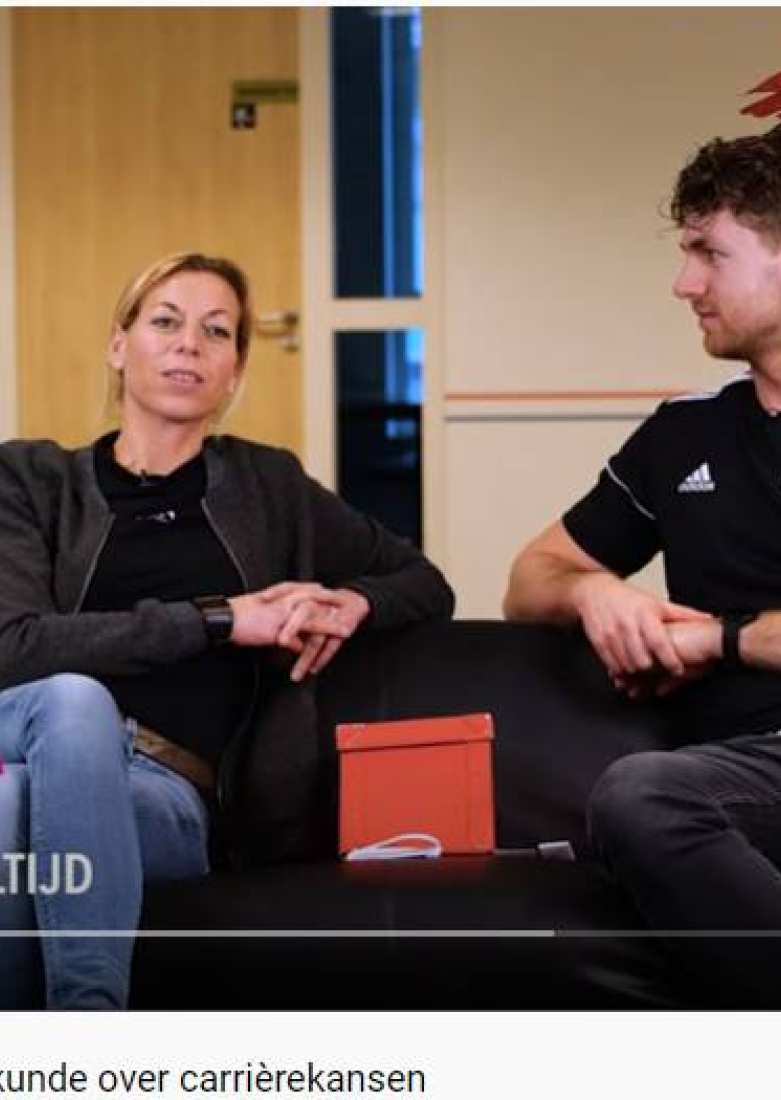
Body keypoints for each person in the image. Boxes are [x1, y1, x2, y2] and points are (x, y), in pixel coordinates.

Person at [0, 252, 454, 1009]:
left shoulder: (269, 487)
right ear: (118, 346)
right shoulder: (32, 481)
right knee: (73, 704)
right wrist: (219, 620)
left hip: (166, 793)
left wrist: (352, 602)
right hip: (34, 745)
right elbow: (14, 647)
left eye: (216, 331)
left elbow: (424, 583)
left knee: (12, 816)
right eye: (165, 321)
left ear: (235, 370)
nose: (189, 343)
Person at [503, 123, 781, 1004]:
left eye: (708, 253)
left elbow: (724, 640)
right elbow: (530, 578)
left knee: (647, 798)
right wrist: (592, 592)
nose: (682, 283)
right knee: (645, 800)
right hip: (731, 779)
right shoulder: (683, 434)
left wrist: (713, 641)